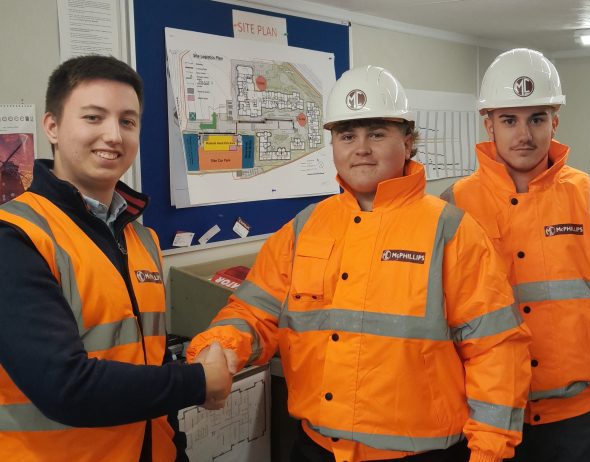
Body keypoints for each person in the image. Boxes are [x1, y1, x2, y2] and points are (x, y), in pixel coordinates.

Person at [186, 65, 533, 462]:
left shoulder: (451, 231)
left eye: (377, 134)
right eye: (347, 136)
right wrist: (221, 346)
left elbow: (496, 349)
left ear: (408, 142)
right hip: (317, 449)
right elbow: (254, 310)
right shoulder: (305, 228)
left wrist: (489, 451)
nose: (361, 148)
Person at [0, 55, 233, 461]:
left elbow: (152, 359)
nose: (113, 135)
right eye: (93, 117)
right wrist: (199, 382)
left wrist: (174, 449)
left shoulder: (142, 238)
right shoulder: (16, 236)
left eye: (128, 121)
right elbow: (65, 387)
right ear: (51, 126)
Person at [441, 48, 590, 462]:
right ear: (489, 124)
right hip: (483, 413)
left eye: (536, 119)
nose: (524, 135)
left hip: (572, 415)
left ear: (555, 121)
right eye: (509, 120)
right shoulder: (454, 205)